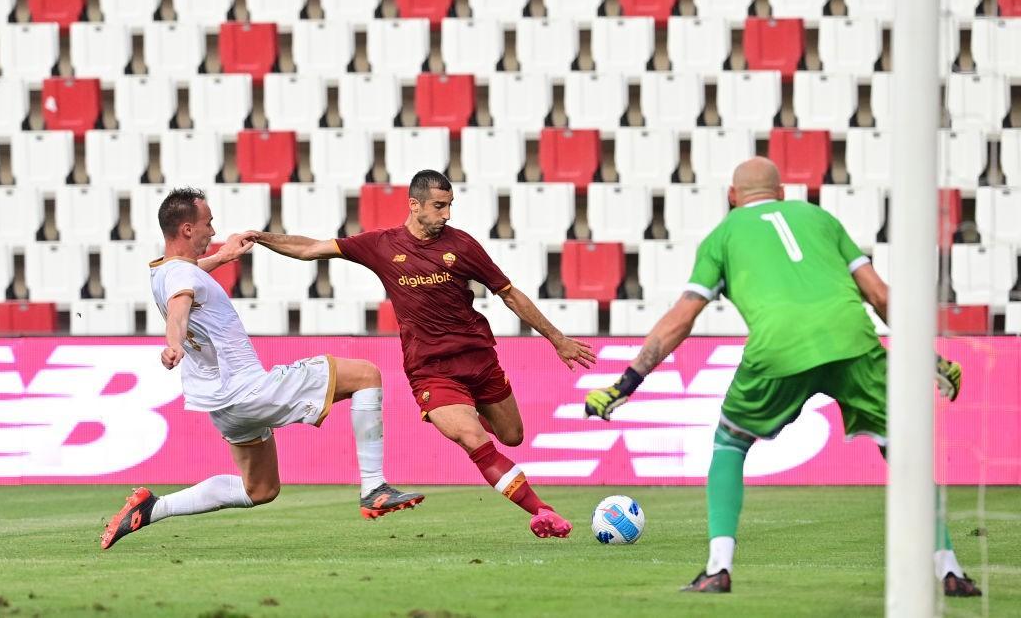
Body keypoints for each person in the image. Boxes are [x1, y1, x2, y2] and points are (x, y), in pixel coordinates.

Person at [584, 157, 981, 597]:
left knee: (730, 442)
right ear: (783, 193)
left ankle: (718, 568)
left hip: (777, 347)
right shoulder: (821, 218)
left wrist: (627, 382)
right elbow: (878, 294)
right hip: (853, 341)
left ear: (732, 197)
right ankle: (951, 569)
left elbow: (682, 317)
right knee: (903, 454)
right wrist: (929, 358)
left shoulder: (722, 236)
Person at [248, 169, 597, 538]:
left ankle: (475, 412)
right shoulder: (381, 245)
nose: (446, 215)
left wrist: (557, 339)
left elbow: (508, 293)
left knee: (511, 437)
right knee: (471, 438)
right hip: (431, 371)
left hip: (479, 360)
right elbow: (310, 248)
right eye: (439, 206)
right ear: (414, 205)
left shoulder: (462, 246)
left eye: (449, 206)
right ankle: (541, 510)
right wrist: (259, 238)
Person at [101, 187, 423, 550]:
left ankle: (153, 508)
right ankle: (374, 487)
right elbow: (179, 308)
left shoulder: (164, 271)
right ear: (187, 229)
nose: (213, 229)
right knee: (366, 375)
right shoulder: (180, 281)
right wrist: (172, 342)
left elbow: (186, 279)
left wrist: (223, 257)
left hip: (222, 406)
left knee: (260, 489)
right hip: (249, 389)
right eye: (208, 223)